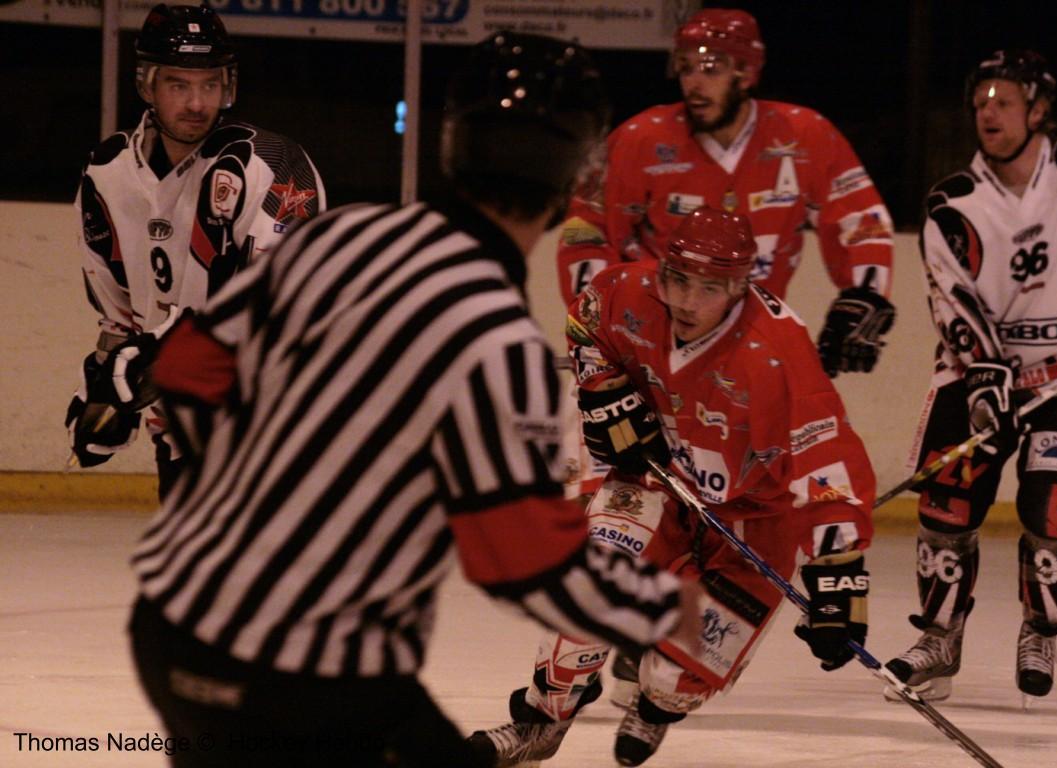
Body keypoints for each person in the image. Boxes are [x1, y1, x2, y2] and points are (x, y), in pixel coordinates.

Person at [118, 31, 702, 768]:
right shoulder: (500, 339)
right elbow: (517, 559)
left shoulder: (343, 234)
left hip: (171, 627)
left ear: (453, 145)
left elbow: (185, 368)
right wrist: (658, 606)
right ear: (568, 186)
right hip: (302, 672)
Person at [469, 206, 876, 766]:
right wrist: (603, 389)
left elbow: (825, 456)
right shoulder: (626, 293)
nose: (686, 300)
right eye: (678, 279)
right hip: (656, 483)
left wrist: (838, 574)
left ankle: (657, 703)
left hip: (757, 520)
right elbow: (586, 323)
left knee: (672, 681)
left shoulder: (776, 354)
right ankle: (541, 721)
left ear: (739, 287)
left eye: (708, 288)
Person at [885, 49, 1057, 705]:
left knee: (1054, 509)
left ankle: (1040, 631)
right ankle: (939, 641)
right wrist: (984, 376)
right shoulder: (952, 203)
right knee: (946, 504)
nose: (988, 113)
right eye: (980, 102)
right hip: (982, 370)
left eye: (1003, 101)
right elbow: (952, 300)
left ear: (1038, 110)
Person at [66, 3, 325, 499]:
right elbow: (120, 316)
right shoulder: (106, 174)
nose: (197, 103)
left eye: (209, 84)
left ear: (228, 85)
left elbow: (273, 302)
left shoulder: (271, 165)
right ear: (147, 85)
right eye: (178, 85)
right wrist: (104, 384)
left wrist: (157, 357)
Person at [556, 8, 896, 381]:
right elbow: (586, 228)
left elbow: (861, 219)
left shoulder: (804, 136)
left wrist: (863, 297)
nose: (693, 83)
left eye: (710, 68)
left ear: (747, 73)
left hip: (753, 347)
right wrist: (598, 322)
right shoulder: (642, 139)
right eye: (685, 68)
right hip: (647, 345)